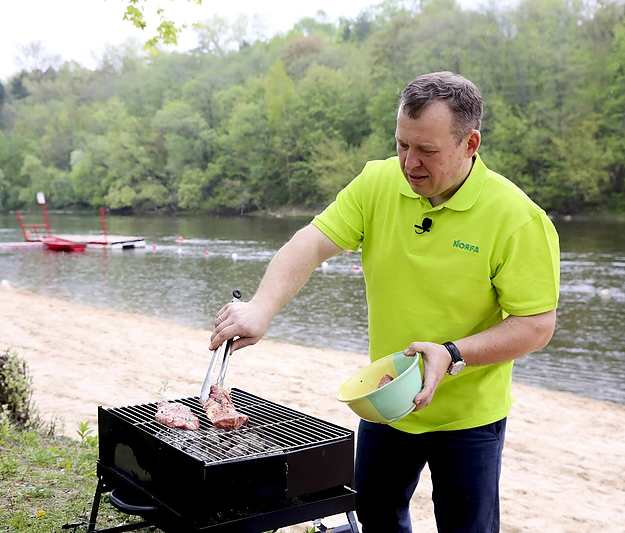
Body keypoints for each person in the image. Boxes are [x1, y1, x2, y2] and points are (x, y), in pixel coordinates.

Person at [209, 71, 560, 533]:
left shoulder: (517, 218)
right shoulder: (377, 182)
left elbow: (536, 324)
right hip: (385, 400)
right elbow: (310, 243)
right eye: (402, 145)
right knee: (375, 520)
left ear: (470, 143)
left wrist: (452, 353)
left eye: (427, 151)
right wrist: (261, 307)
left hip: (469, 417)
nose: (409, 163)